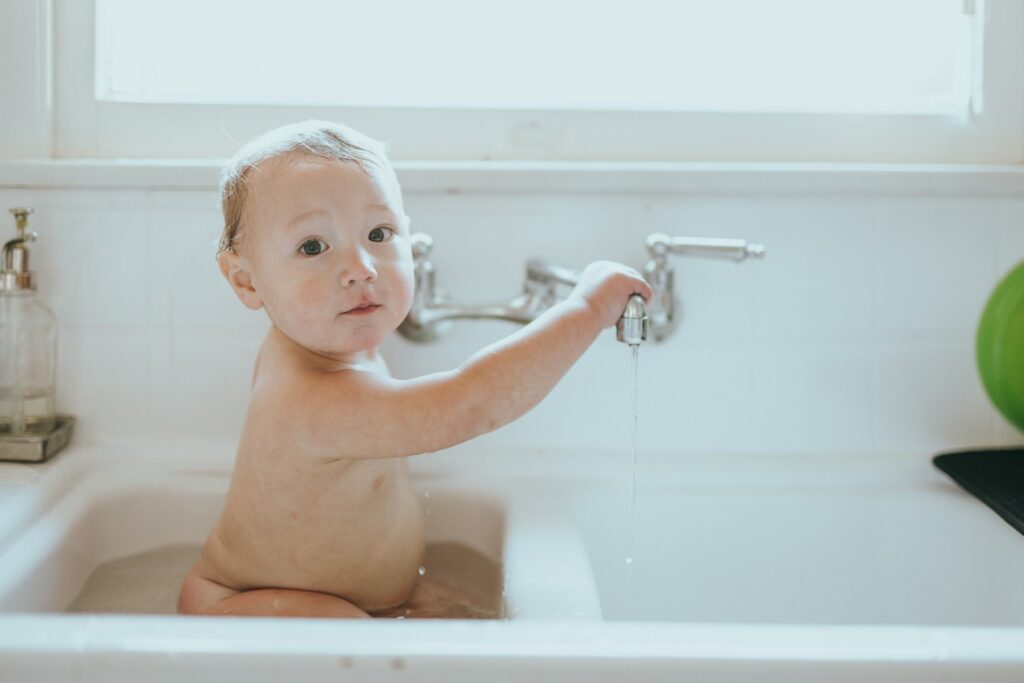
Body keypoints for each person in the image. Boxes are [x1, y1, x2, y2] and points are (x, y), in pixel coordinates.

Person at [177, 120, 651, 618]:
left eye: (379, 233)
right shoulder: (307, 399)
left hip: (337, 595)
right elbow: (471, 403)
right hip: (245, 604)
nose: (361, 267)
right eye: (313, 246)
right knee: (361, 639)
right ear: (247, 281)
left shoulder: (327, 348)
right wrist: (587, 311)